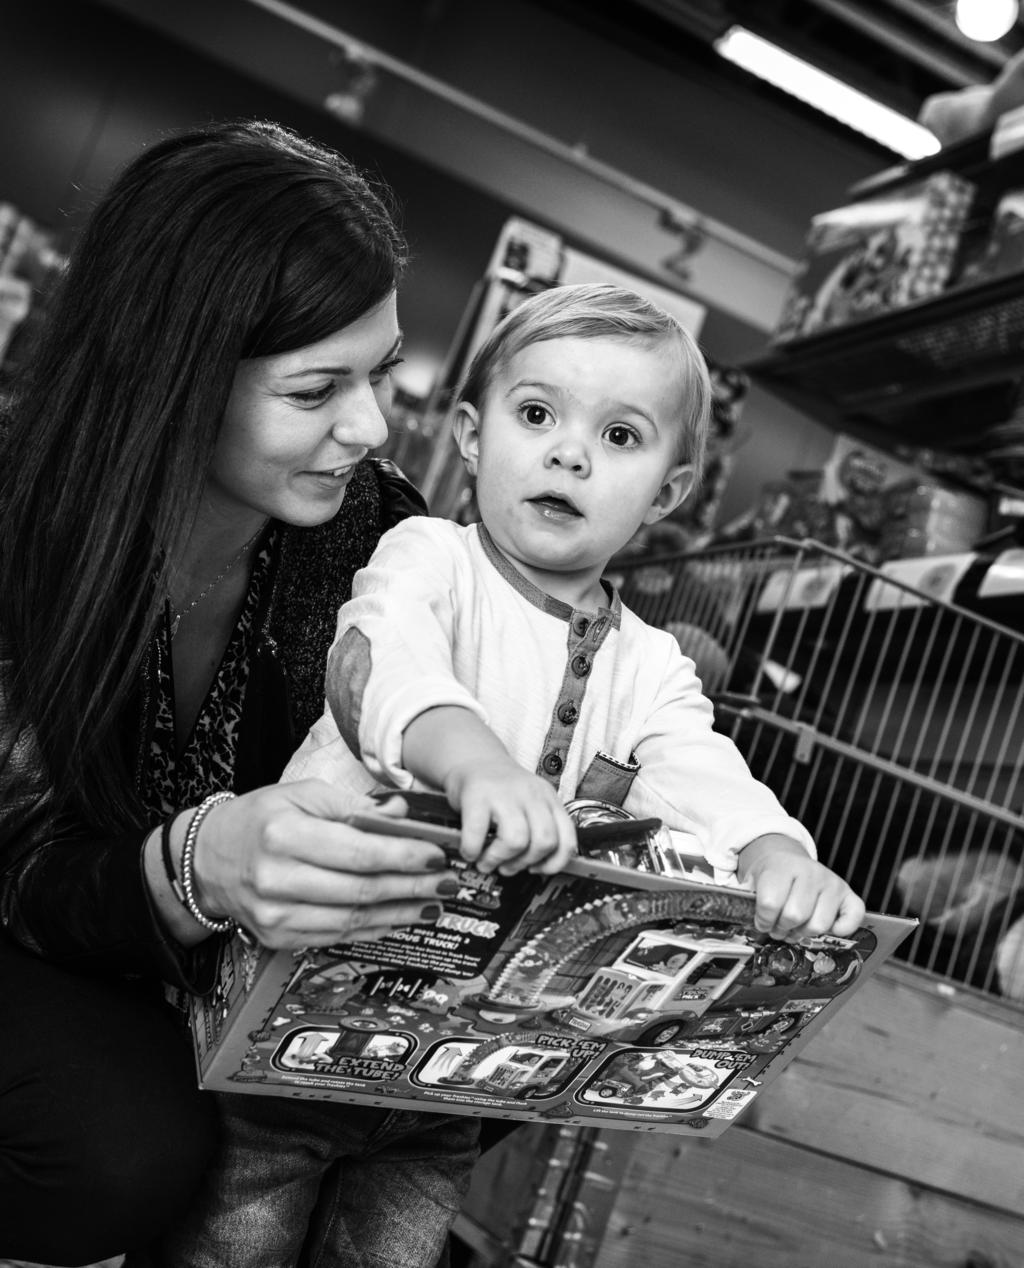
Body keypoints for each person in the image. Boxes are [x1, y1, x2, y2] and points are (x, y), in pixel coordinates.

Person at [0, 118, 475, 1267]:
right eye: (318, 387)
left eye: (381, 374)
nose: (366, 427)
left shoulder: (378, 534)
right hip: (36, 933)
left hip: (212, 994)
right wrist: (194, 865)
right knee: (123, 1152)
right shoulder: (25, 528)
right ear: (177, 370)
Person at [291, 282, 865, 943]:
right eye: (537, 415)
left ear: (666, 493)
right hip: (318, 898)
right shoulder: (429, 555)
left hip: (461, 960)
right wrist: (479, 766)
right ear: (474, 438)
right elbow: (384, 665)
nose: (570, 454)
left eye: (620, 435)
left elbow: (697, 770)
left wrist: (775, 853)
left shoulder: (652, 666)